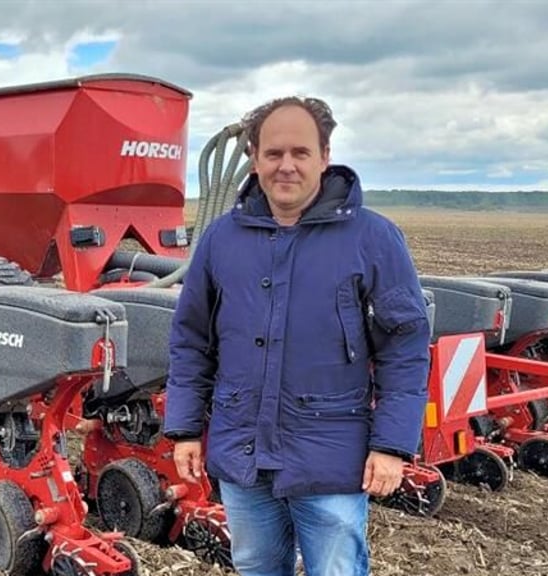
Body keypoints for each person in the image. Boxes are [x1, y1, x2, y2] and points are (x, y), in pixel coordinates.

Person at [163, 96, 431, 576]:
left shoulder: (373, 238)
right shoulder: (221, 240)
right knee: (256, 566)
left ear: (325, 157)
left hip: (331, 454)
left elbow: (404, 348)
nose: (286, 166)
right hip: (243, 452)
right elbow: (191, 339)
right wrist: (184, 430)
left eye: (300, 153)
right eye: (273, 153)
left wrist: (392, 444)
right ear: (254, 157)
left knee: (336, 569)